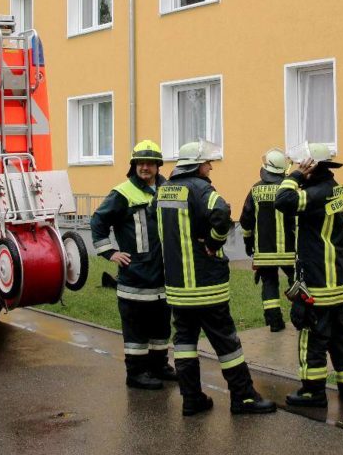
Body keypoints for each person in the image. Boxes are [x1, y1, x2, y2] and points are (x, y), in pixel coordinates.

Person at [157, 141, 276, 416]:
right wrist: (213, 241)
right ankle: (244, 397)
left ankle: (191, 399)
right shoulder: (201, 188)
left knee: (185, 343)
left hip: (178, 287)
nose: (211, 166)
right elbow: (221, 213)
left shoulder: (164, 190)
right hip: (206, 284)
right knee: (226, 343)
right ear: (198, 165)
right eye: (208, 162)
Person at [276, 144, 343, 407]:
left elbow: (283, 201)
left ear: (311, 166)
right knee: (340, 335)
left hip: (317, 279)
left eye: (302, 165)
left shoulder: (316, 194)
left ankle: (312, 390)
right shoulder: (334, 188)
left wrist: (295, 177)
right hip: (335, 277)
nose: (298, 169)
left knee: (311, 334)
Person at [90, 140, 176, 390]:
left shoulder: (167, 189)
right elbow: (98, 221)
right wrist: (110, 252)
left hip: (163, 274)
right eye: (140, 163)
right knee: (136, 325)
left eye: (150, 163)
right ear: (134, 165)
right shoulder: (123, 192)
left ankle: (159, 365)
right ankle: (136, 373)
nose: (145, 167)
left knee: (161, 323)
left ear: (158, 165)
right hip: (135, 274)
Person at [239, 148, 296, 332]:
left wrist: (248, 243)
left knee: (269, 284)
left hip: (264, 252)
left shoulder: (255, 190)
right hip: (290, 251)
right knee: (296, 282)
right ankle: (300, 317)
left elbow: (246, 221)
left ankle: (274, 322)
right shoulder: (290, 189)